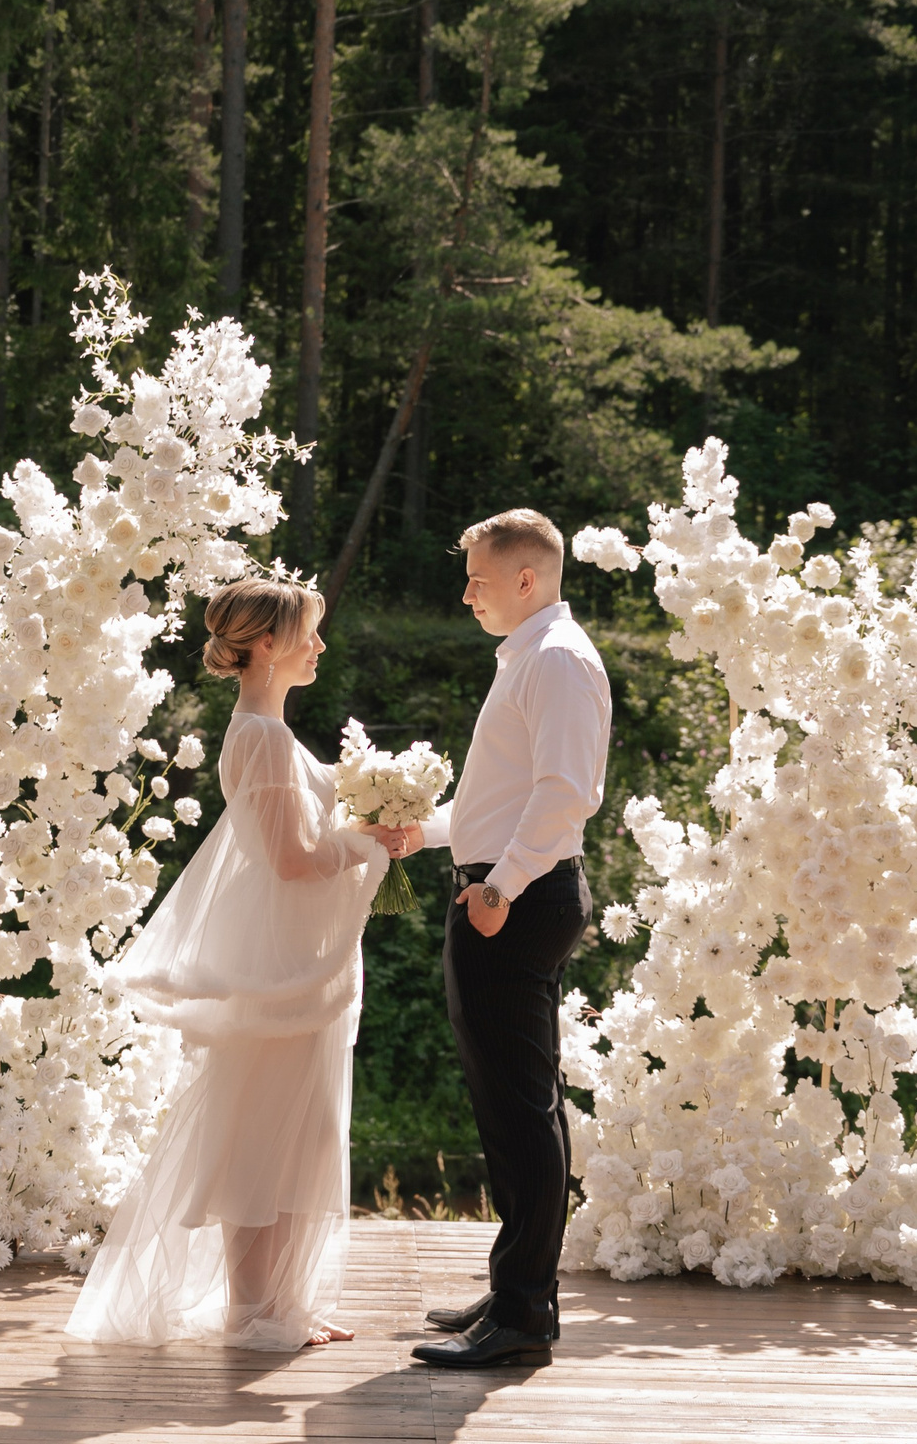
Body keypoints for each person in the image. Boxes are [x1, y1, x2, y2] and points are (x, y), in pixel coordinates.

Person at [64, 578, 398, 1351]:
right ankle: (251, 1312)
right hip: (276, 966)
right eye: (310, 633)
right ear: (270, 645)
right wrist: (366, 840)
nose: (319, 645)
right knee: (260, 1136)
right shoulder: (264, 737)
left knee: (297, 1134)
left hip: (287, 957)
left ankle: (280, 1304)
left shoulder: (263, 730)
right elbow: (290, 858)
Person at [375, 508, 611, 1370]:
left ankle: (523, 1312)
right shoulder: (531, 656)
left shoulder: (555, 659)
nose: (466, 591)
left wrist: (500, 887)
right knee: (511, 1102)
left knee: (520, 1106)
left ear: (527, 578)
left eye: (479, 576)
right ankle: (518, 1289)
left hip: (517, 899)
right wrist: (426, 835)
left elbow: (563, 795)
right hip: (503, 889)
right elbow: (500, 800)